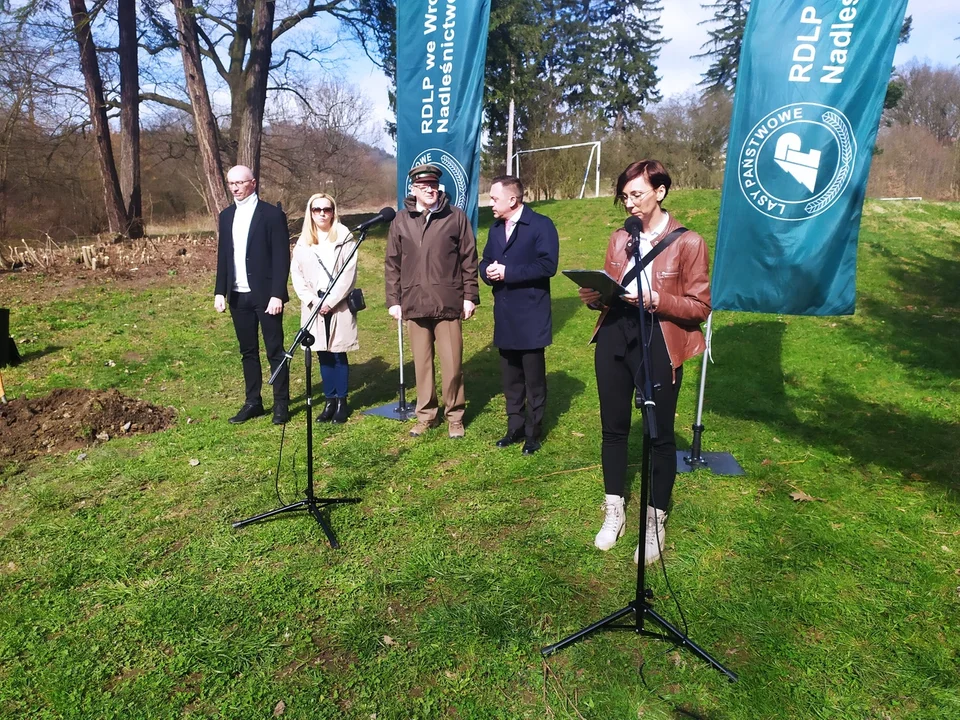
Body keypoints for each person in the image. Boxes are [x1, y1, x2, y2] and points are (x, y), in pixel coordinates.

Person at [578, 159, 711, 565]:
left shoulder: (690, 243)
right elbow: (611, 285)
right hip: (615, 335)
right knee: (613, 428)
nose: (629, 202)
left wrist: (657, 300)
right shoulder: (621, 237)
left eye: (636, 194)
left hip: (660, 340)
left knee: (659, 436)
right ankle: (614, 510)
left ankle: (654, 522)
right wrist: (595, 297)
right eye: (625, 196)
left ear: (660, 192)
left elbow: (700, 306)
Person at [385, 163, 479, 439]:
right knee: (422, 366)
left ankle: (455, 416)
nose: (430, 189)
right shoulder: (401, 220)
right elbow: (392, 264)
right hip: (413, 303)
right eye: (423, 185)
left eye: (433, 184)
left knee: (452, 364)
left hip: (448, 302)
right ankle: (426, 415)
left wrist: (470, 297)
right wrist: (394, 300)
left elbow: (469, 260)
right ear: (413, 189)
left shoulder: (455, 217)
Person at [479, 175, 559, 455]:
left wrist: (508, 273)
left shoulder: (541, 225)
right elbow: (486, 259)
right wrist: (487, 272)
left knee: (533, 380)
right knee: (510, 379)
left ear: (513, 200)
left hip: (531, 316)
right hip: (505, 314)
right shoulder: (495, 229)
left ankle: (533, 433)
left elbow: (548, 265)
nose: (490, 203)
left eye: (494, 198)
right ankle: (514, 427)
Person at [214, 165, 291, 425]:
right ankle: (253, 402)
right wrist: (219, 291)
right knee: (248, 351)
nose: (235, 188)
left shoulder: (271, 215)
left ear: (253, 183)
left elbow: (282, 257)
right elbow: (223, 256)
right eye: (231, 183)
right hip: (238, 296)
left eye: (240, 182)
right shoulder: (226, 216)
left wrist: (277, 294)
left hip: (266, 296)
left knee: (274, 350)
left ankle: (281, 403)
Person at [290, 193, 359, 424]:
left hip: (337, 304)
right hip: (314, 305)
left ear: (333, 211)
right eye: (316, 209)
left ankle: (342, 401)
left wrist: (332, 301)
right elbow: (296, 274)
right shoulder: (303, 240)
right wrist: (312, 300)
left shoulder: (344, 236)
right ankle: (329, 400)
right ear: (310, 212)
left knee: (338, 352)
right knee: (321, 352)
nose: (322, 213)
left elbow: (349, 273)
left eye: (326, 209)